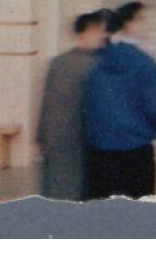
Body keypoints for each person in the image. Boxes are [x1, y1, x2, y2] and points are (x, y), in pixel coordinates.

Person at [85, 3, 156, 199]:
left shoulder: (96, 60)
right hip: (136, 150)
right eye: (143, 19)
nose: (149, 25)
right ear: (130, 23)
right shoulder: (144, 62)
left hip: (101, 151)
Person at [35, 11, 107, 200]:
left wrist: (42, 136)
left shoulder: (59, 63)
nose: (100, 35)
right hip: (76, 143)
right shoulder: (98, 64)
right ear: (82, 33)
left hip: (68, 143)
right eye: (96, 31)